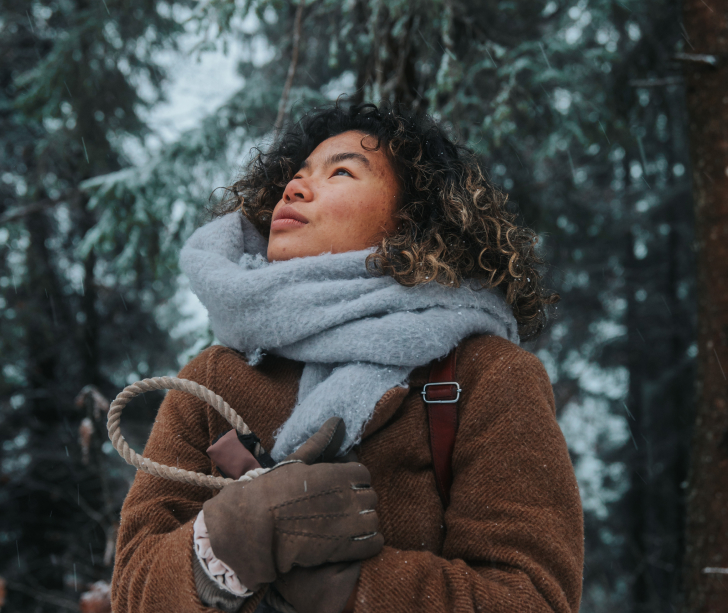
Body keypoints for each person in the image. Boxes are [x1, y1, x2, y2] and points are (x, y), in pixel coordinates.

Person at [112, 102, 584, 613]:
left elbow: (534, 597)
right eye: (294, 177)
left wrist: (349, 588)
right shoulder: (213, 378)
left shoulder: (484, 375)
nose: (294, 189)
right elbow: (132, 589)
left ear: (409, 219)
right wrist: (220, 550)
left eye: (340, 172)